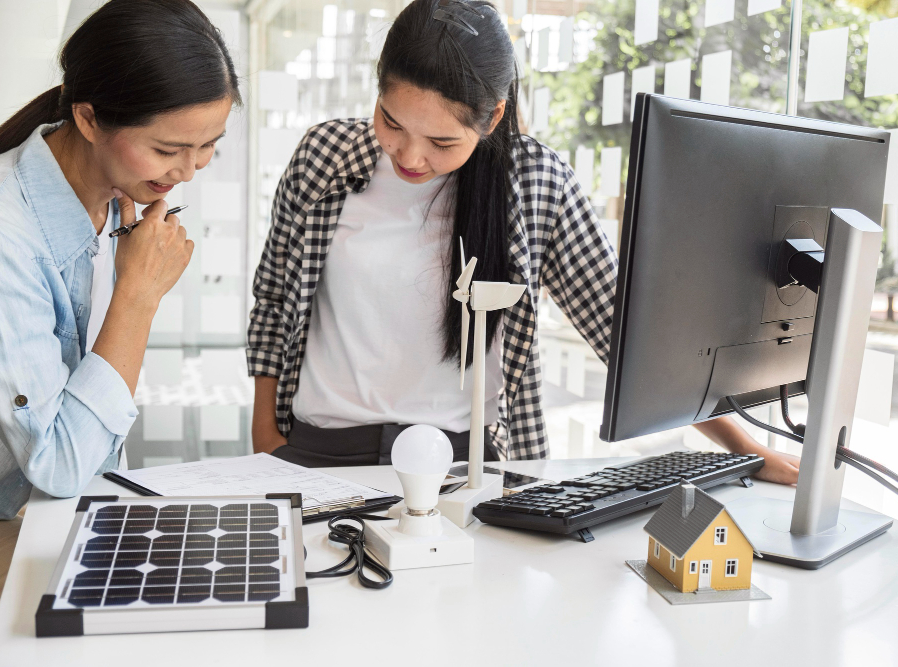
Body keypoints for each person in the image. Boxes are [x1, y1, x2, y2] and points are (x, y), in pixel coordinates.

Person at [248, 0, 799, 484]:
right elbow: (274, 299)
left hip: (468, 472)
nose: (410, 157)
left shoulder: (536, 183)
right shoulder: (324, 158)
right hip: (320, 457)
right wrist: (265, 435)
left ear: (494, 118)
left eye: (442, 141)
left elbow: (625, 337)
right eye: (390, 122)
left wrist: (744, 449)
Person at [0, 0, 240, 520]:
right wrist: (139, 295)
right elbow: (59, 464)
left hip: (66, 522)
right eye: (167, 149)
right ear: (87, 118)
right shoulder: (6, 236)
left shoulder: (115, 200)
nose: (189, 171)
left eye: (207, 146)